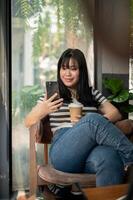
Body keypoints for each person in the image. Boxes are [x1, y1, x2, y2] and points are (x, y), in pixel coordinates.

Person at [25, 48, 133, 199]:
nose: (67, 74)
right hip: (63, 151)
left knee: (110, 157)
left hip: (90, 151)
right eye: (64, 68)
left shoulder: (91, 93)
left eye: (73, 69)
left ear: (81, 71)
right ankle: (130, 155)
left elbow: (115, 113)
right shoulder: (52, 95)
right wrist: (43, 109)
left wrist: (95, 126)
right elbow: (28, 121)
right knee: (92, 120)